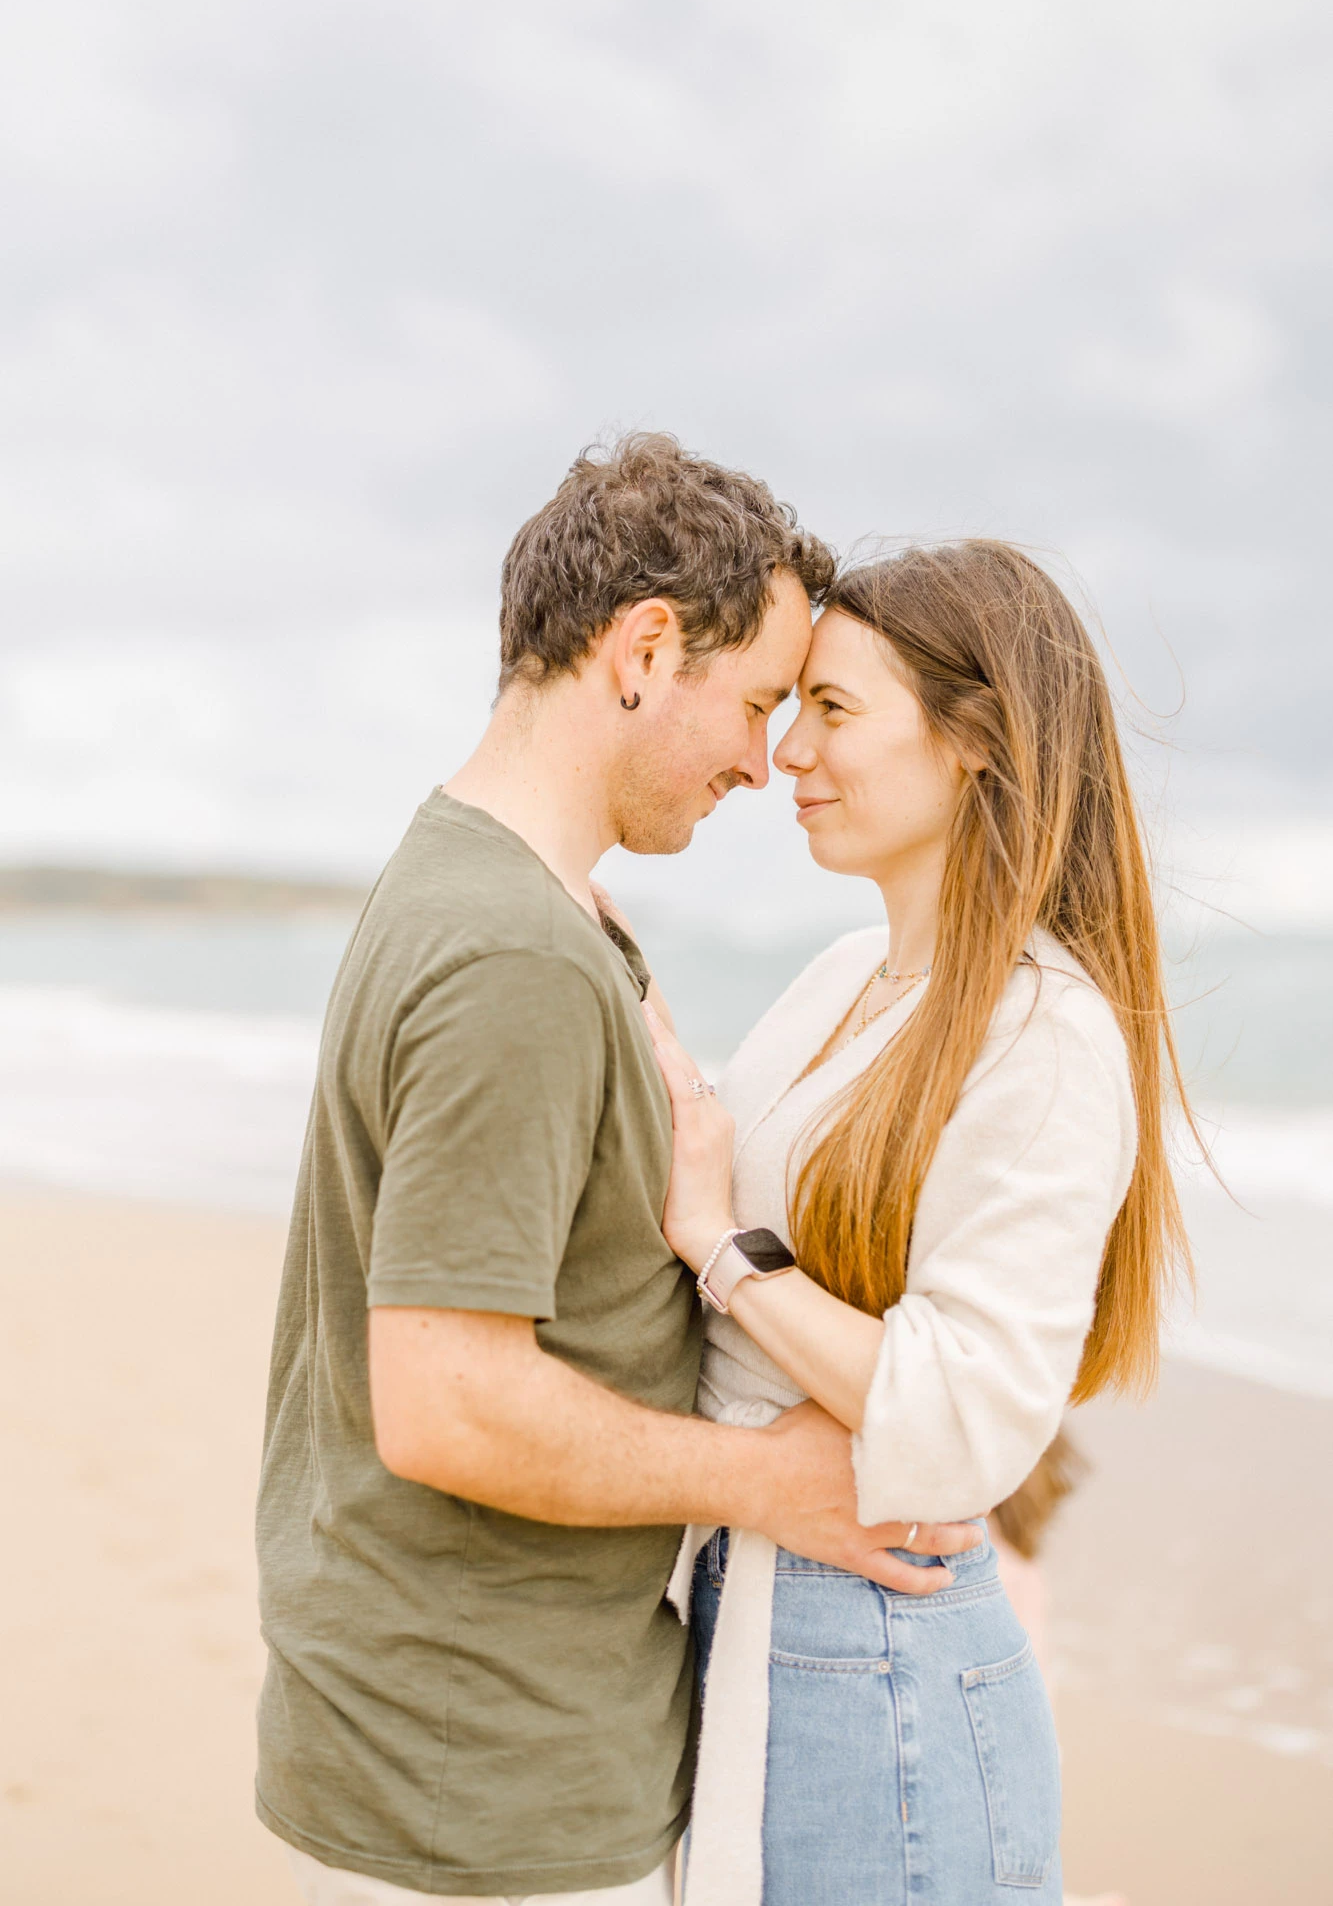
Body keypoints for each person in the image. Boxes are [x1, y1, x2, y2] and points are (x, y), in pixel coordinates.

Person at [254, 437, 980, 1906]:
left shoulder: (504, 891)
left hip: (447, 1736)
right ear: (647, 649)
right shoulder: (515, 950)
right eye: (764, 698)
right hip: (484, 1784)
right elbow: (448, 1401)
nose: (767, 754)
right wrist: (776, 1485)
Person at [645, 541, 1194, 1906]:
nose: (786, 757)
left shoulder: (1045, 1031)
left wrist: (722, 1255)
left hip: (880, 1676)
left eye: (835, 710)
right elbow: (706, 1148)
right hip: (758, 1625)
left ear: (975, 739)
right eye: (794, 711)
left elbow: (958, 1428)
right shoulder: (847, 974)